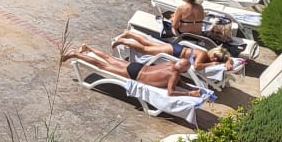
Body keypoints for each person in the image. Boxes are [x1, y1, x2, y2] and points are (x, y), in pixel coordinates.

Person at [61, 44, 195, 98]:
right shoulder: (174, 74)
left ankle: (87, 47)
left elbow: (180, 82)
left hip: (138, 67)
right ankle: (75, 54)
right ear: (183, 71)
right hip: (135, 74)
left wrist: (190, 88)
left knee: (109, 59)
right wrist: (189, 93)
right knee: (102, 65)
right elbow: (171, 92)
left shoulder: (172, 64)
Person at [112, 30, 232, 70]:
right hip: (174, 51)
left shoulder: (207, 56)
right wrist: (212, 64)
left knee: (147, 43)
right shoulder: (204, 54)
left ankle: (128, 33)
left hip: (176, 49)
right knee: (145, 49)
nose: (215, 59)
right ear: (213, 52)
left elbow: (230, 58)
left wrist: (227, 61)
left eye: (218, 59)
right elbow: (197, 66)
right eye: (216, 56)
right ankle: (122, 41)